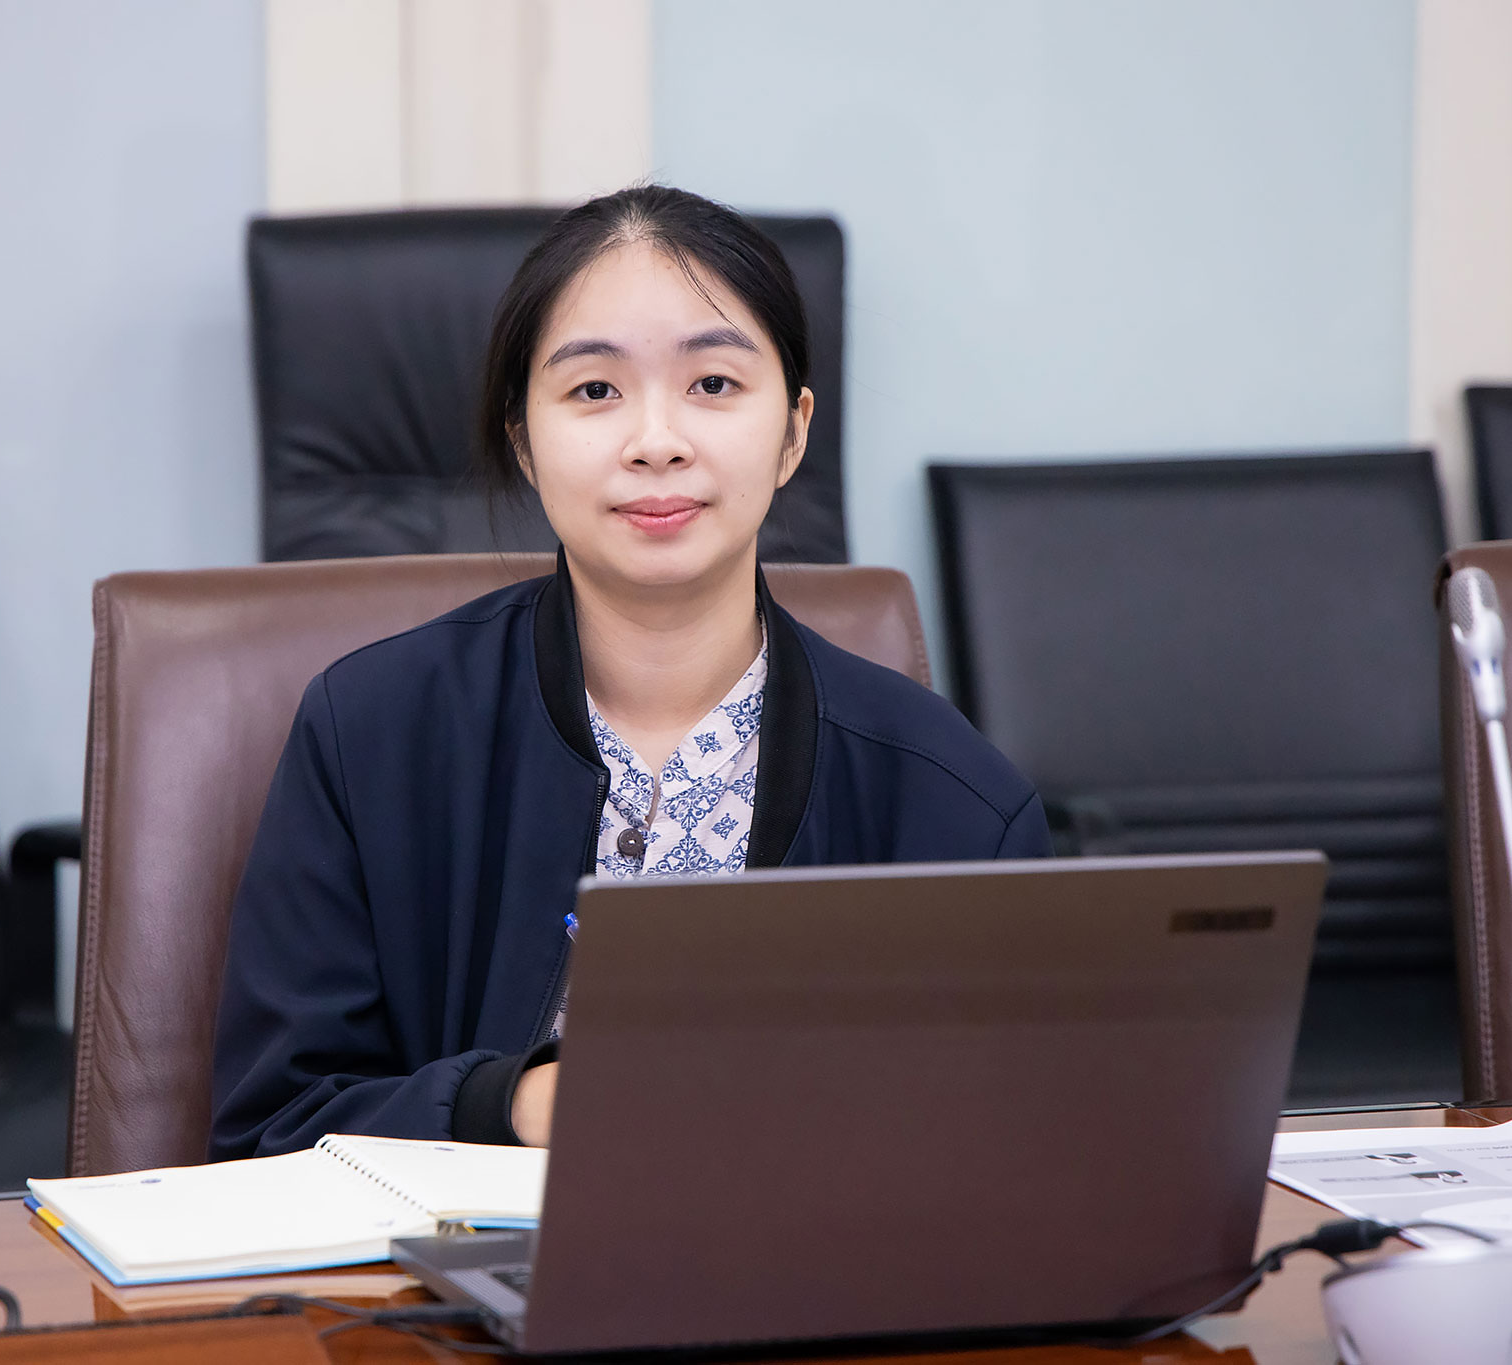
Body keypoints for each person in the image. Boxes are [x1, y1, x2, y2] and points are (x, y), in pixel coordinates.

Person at [209, 185, 1052, 1160]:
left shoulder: (956, 804)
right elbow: (269, 1132)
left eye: (714, 384)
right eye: (594, 391)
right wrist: (517, 1107)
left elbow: (1015, 1157)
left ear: (793, 431)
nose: (656, 442)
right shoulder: (367, 735)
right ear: (524, 441)